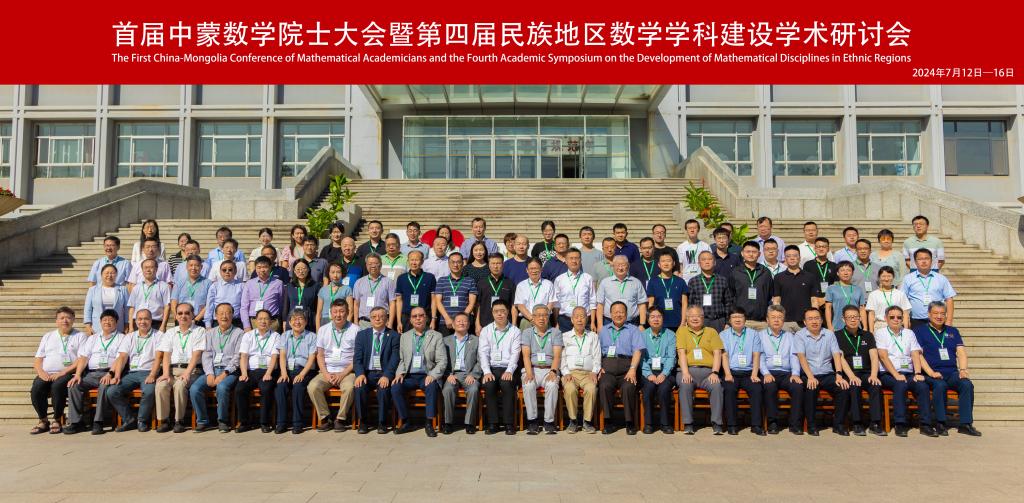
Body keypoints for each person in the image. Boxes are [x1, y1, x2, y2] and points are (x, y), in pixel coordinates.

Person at [914, 301, 981, 436]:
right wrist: (931, 372)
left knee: (966, 384)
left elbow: (961, 352)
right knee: (940, 385)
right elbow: (918, 355)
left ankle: (965, 424)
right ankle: (940, 423)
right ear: (929, 314)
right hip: (931, 373)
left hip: (951, 372)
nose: (939, 316)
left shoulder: (952, 331)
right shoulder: (920, 331)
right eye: (935, 313)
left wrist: (963, 370)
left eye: (942, 314)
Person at [63, 310, 124, 434]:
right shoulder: (93, 338)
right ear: (100, 322)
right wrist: (77, 375)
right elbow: (84, 357)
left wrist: (110, 374)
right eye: (104, 320)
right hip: (91, 374)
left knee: (104, 385)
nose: (107, 322)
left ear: (116, 322)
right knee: (74, 385)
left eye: (111, 320)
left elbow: (120, 359)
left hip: (108, 372)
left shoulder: (122, 338)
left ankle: (98, 422)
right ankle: (76, 422)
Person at [874, 305, 931, 437]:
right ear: (886, 318)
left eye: (899, 317)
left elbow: (915, 353)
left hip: (908, 372)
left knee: (922, 386)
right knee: (900, 385)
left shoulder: (909, 333)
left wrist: (918, 373)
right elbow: (883, 356)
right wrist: (896, 374)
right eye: (892, 317)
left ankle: (926, 424)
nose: (896, 319)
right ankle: (900, 424)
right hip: (888, 373)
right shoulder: (880, 333)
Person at [794, 307, 850, 436]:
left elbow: (836, 355)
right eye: (810, 319)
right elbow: (801, 357)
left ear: (821, 320)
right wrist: (810, 377)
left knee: (843, 388)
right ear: (805, 322)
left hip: (827, 374)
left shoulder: (829, 334)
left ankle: (838, 424)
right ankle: (812, 425)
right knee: (811, 388)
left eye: (817, 318)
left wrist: (839, 375)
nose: (814, 321)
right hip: (809, 374)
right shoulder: (800, 335)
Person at [30, 307, 86, 435]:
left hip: (68, 373)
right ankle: (43, 420)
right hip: (47, 373)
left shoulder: (80, 336)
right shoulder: (48, 336)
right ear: (56, 321)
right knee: (37, 388)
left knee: (57, 386)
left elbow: (81, 359)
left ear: (73, 320)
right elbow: (38, 359)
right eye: (62, 318)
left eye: (68, 318)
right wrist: (41, 373)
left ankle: (57, 420)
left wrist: (62, 372)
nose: (65, 320)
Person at [188, 303, 243, 433]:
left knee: (222, 387)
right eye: (221, 313)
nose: (224, 316)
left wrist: (224, 374)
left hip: (230, 371)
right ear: (216, 316)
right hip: (212, 369)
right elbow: (206, 355)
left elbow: (238, 357)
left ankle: (223, 421)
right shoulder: (210, 333)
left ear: (232, 315)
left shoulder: (239, 333)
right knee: (195, 388)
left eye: (228, 313)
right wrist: (209, 373)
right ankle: (202, 421)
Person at [391, 307, 446, 437]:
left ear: (426, 318)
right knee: (395, 387)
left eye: (421, 315)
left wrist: (433, 375)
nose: (418, 318)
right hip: (409, 376)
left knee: (431, 386)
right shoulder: (405, 336)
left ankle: (429, 423)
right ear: (410, 320)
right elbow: (402, 360)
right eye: (414, 316)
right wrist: (399, 373)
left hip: (427, 375)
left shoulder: (436, 336)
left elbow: (442, 361)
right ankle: (406, 421)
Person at [107, 308, 163, 433]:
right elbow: (122, 357)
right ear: (136, 321)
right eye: (140, 319)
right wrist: (117, 376)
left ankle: (142, 420)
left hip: (148, 372)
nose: (143, 322)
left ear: (151, 320)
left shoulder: (159, 335)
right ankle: (129, 419)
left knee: (149, 391)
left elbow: (159, 357)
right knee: (112, 391)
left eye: (146, 319)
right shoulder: (130, 336)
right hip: (131, 373)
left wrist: (153, 374)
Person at [155, 303, 206, 433]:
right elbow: (166, 355)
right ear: (176, 316)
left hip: (193, 370)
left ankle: (179, 420)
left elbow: (196, 354)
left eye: (187, 313)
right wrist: (165, 373)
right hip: (172, 370)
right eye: (180, 313)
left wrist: (187, 373)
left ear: (193, 315)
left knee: (180, 385)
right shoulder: (170, 332)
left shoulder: (199, 331)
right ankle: (164, 420)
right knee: (161, 385)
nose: (183, 316)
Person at [309, 299, 359, 432]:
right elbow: (320, 355)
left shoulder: (355, 330)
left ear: (347, 312)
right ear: (330, 313)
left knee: (349, 387)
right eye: (335, 312)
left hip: (348, 372)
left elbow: (357, 357)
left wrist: (342, 374)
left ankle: (340, 419)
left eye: (342, 311)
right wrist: (326, 374)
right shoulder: (323, 330)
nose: (338, 315)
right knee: (313, 387)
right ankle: (325, 418)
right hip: (327, 371)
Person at [835, 306, 884, 436]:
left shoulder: (867, 335)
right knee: (854, 386)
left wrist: (874, 375)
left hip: (867, 372)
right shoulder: (837, 335)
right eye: (849, 317)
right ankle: (857, 423)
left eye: (856, 317)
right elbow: (840, 358)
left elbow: (874, 357)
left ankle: (875, 423)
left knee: (876, 385)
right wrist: (851, 376)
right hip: (849, 373)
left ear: (860, 318)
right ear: (843, 319)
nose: (853, 320)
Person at [596, 302, 644, 435]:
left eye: (621, 312)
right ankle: (608, 422)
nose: (618, 315)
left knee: (628, 387)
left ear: (626, 314)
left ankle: (630, 422)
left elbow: (637, 351)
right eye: (616, 312)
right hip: (607, 367)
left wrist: (633, 369)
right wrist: (598, 367)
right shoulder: (603, 330)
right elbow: (596, 351)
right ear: (610, 314)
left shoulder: (633, 330)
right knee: (604, 386)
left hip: (627, 368)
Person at [676, 306, 724, 434]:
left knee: (717, 386)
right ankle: (688, 423)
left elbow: (717, 353)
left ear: (703, 318)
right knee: (685, 385)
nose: (695, 318)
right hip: (688, 370)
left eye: (698, 316)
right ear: (687, 318)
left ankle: (717, 423)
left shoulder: (711, 331)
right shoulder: (682, 331)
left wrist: (715, 372)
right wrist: (685, 372)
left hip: (708, 372)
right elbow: (681, 353)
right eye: (692, 316)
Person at [353, 307, 400, 434]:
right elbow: (357, 358)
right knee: (359, 387)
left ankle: (382, 422)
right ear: (370, 319)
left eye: (381, 316)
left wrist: (387, 375)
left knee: (384, 390)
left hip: (384, 373)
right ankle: (363, 421)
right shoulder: (362, 335)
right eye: (374, 317)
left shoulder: (394, 335)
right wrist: (360, 374)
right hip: (367, 373)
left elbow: (395, 358)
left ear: (386, 318)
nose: (377, 319)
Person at [759, 305, 805, 435]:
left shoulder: (790, 336)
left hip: (786, 373)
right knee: (770, 387)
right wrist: (766, 373)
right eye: (773, 317)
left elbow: (794, 357)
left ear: (783, 320)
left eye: (779, 317)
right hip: (768, 372)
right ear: (767, 319)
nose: (776, 320)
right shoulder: (760, 336)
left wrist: (795, 374)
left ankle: (795, 424)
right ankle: (772, 423)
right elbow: (760, 357)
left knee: (798, 387)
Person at [478, 301, 522, 435]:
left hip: (508, 368)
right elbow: (483, 353)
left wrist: (509, 371)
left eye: (502, 311)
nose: (499, 314)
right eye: (496, 311)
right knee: (489, 384)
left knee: (506, 383)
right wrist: (486, 372)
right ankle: (493, 423)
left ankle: (509, 424)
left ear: (508, 312)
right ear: (492, 313)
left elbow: (515, 353)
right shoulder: (486, 330)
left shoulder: (515, 331)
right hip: (491, 368)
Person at [719, 307, 765, 435]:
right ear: (730, 320)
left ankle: (756, 425)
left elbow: (756, 355)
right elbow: (724, 356)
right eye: (734, 317)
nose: (737, 319)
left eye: (740, 317)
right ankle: (732, 425)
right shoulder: (723, 335)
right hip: (731, 372)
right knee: (729, 389)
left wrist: (754, 374)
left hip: (749, 373)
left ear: (745, 319)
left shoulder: (753, 334)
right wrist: (727, 374)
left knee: (757, 389)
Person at [235, 310, 281, 433]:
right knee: (240, 388)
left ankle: (264, 422)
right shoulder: (248, 335)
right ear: (255, 321)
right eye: (260, 319)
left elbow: (274, 357)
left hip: (268, 371)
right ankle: (244, 422)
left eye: (266, 319)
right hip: (251, 371)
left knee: (266, 388)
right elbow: (244, 356)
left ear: (271, 322)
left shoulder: (276, 336)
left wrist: (268, 373)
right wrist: (244, 373)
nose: (263, 321)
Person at [274, 308, 318, 434]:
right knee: (280, 387)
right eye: (293, 319)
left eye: (300, 319)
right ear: (289, 322)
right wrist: (283, 373)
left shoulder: (312, 336)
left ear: (306, 322)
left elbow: (311, 358)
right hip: (287, 370)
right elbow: (282, 355)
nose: (297, 322)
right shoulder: (285, 335)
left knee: (298, 387)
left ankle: (297, 423)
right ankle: (281, 423)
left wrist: (302, 374)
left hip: (305, 370)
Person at [521, 304, 562, 435]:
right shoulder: (527, 333)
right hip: (532, 368)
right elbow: (525, 355)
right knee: (528, 385)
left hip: (549, 369)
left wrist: (553, 371)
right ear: (533, 317)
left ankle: (549, 421)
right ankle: (532, 421)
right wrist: (529, 373)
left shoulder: (556, 332)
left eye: (544, 315)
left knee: (552, 385)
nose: (541, 318)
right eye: (538, 315)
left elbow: (557, 355)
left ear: (548, 317)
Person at [560, 306, 601, 434]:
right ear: (572, 319)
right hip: (571, 373)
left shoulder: (593, 336)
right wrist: (566, 373)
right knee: (570, 388)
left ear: (587, 319)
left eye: (582, 316)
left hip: (588, 374)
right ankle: (573, 420)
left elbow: (597, 357)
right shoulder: (565, 337)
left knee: (591, 388)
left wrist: (594, 371)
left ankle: (587, 422)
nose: (579, 320)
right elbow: (562, 359)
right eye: (576, 317)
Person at [441, 313, 482, 435]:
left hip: (469, 374)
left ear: (468, 324)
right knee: (448, 389)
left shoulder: (476, 340)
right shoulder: (445, 341)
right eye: (458, 321)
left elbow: (481, 360)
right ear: (453, 325)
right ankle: (448, 423)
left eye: (464, 321)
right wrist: (447, 374)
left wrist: (473, 374)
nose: (461, 323)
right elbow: (441, 360)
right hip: (452, 374)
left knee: (474, 389)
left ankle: (469, 423)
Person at [639, 307, 676, 434]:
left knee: (664, 388)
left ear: (663, 318)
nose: (656, 319)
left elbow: (671, 357)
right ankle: (648, 423)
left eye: (659, 316)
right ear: (648, 319)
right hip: (648, 370)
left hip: (665, 370)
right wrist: (648, 374)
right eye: (652, 317)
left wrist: (664, 374)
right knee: (648, 388)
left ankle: (665, 423)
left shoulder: (671, 335)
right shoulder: (642, 335)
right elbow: (641, 358)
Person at [900, 249, 956, 328]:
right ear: (915, 262)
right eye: (920, 259)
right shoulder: (908, 279)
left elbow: (949, 299)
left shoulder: (941, 278)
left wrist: (949, 320)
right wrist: (905, 319)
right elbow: (902, 299)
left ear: (932, 261)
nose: (923, 261)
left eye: (926, 258)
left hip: (938, 320)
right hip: (916, 321)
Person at [772, 245, 820, 333]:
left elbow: (814, 300)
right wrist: (778, 318)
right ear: (785, 259)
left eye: (795, 255)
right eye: (788, 256)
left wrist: (813, 318)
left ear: (799, 257)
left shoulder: (810, 277)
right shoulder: (778, 277)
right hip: (785, 322)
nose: (792, 258)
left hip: (805, 322)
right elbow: (777, 300)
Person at [728, 241, 774, 329]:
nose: (751, 254)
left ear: (759, 254)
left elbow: (770, 296)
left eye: (754, 252)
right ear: (742, 253)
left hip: (761, 322)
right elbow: (731, 295)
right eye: (748, 251)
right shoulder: (735, 272)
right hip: (741, 321)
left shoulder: (765, 272)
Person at [432, 252, 477, 336]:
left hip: (464, 323)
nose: (455, 265)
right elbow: (438, 301)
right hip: (445, 322)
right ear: (448, 264)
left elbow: (472, 303)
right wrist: (447, 318)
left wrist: (461, 319)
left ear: (463, 263)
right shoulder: (442, 280)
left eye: (458, 262)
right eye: (453, 262)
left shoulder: (470, 281)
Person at [687, 251, 733, 332]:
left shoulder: (722, 280)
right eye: (703, 259)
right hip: (700, 321)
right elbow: (690, 304)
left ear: (714, 262)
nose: (707, 262)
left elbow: (728, 303)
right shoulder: (693, 281)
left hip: (719, 321)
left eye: (710, 259)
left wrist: (727, 322)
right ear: (699, 263)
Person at [595, 256, 647, 327]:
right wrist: (600, 325)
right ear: (613, 266)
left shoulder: (636, 282)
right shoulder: (605, 282)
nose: (620, 268)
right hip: (609, 323)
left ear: (628, 266)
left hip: (632, 323)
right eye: (617, 265)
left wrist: (642, 324)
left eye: (623, 265)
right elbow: (600, 305)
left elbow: (642, 304)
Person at [553, 248, 596, 333]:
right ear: (566, 261)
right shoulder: (559, 279)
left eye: (576, 258)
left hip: (585, 321)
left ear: (580, 260)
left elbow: (592, 301)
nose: (574, 261)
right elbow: (556, 304)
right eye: (571, 258)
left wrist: (593, 322)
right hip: (565, 321)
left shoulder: (588, 278)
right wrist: (557, 323)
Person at [395, 250, 436, 333]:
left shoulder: (430, 277)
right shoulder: (401, 278)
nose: (414, 263)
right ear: (408, 261)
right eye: (412, 260)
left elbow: (434, 300)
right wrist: (399, 321)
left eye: (416, 260)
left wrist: (433, 319)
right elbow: (399, 301)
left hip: (424, 316)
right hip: (406, 317)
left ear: (422, 262)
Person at [646, 253, 688, 332]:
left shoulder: (680, 281)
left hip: (677, 323)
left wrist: (683, 322)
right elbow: (650, 304)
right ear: (659, 264)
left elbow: (684, 303)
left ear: (674, 263)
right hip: (659, 324)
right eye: (663, 261)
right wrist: (651, 322)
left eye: (668, 261)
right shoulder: (653, 281)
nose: (666, 263)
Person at [351, 254, 396, 329]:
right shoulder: (359, 282)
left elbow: (392, 303)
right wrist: (355, 322)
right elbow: (356, 304)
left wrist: (390, 323)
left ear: (380, 265)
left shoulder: (388, 282)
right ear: (366, 265)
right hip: (364, 323)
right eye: (370, 264)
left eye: (376, 263)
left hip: (382, 322)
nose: (373, 266)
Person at [127, 259, 171, 333]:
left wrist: (163, 325)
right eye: (146, 267)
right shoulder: (136, 287)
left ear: (156, 269)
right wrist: (131, 327)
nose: (148, 270)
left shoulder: (164, 286)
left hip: (156, 323)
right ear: (142, 270)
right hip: (138, 323)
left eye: (151, 267)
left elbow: (167, 306)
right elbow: (132, 307)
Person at [475, 253, 515, 335]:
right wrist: (477, 324)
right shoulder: (481, 283)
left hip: (505, 325)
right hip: (485, 325)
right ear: (489, 265)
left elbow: (513, 306)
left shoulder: (510, 283)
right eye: (493, 263)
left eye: (498, 263)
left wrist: (514, 324)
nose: (496, 266)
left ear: (503, 265)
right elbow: (477, 305)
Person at [241, 256, 284, 332]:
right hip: (254, 322)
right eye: (259, 267)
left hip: (272, 322)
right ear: (255, 268)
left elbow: (281, 304)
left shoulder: (278, 283)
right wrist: (246, 326)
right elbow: (244, 307)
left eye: (265, 267)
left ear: (270, 267)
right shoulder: (249, 284)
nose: (262, 270)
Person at [84, 264, 130, 335]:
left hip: (118, 326)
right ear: (101, 275)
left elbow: (127, 309)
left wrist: (127, 324)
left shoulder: (123, 289)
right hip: (97, 327)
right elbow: (88, 309)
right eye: (106, 273)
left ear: (116, 275)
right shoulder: (92, 290)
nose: (109, 275)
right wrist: (88, 326)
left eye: (112, 273)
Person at [865, 266, 912, 332]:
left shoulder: (900, 294)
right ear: (879, 277)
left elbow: (905, 313)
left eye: (889, 276)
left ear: (893, 277)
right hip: (880, 326)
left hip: (897, 325)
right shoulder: (873, 294)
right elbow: (871, 314)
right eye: (883, 276)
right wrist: (871, 331)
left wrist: (906, 330)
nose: (886, 279)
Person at [513, 258, 556, 330]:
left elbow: (551, 303)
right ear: (527, 270)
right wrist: (532, 319)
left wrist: (542, 317)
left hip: (544, 321)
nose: (534, 271)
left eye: (536, 268)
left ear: (541, 269)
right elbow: (520, 306)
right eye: (531, 268)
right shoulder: (521, 285)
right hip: (527, 321)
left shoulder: (548, 284)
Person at [824, 261, 866, 332]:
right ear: (837, 273)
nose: (845, 273)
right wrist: (829, 326)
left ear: (852, 273)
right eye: (842, 270)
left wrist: (865, 327)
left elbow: (862, 309)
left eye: (848, 270)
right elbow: (828, 308)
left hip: (855, 326)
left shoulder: (858, 289)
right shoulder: (831, 288)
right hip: (837, 327)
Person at [170, 255, 211, 327]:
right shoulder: (179, 283)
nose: (193, 268)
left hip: (200, 321)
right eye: (191, 265)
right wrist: (176, 317)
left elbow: (209, 304)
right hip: (181, 319)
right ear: (186, 267)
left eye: (196, 265)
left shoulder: (208, 283)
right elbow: (174, 301)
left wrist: (196, 320)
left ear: (201, 267)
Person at [204, 260, 244, 328]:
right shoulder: (214, 286)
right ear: (220, 272)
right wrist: (208, 325)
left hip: (236, 322)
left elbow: (244, 306)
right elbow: (209, 307)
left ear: (235, 271)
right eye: (224, 270)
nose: (227, 272)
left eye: (230, 270)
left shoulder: (241, 286)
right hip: (218, 322)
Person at [282, 259, 320, 330]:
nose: (301, 271)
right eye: (298, 269)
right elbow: (286, 306)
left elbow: (317, 307)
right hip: (293, 321)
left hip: (309, 321)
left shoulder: (315, 286)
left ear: (308, 269)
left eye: (303, 268)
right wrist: (284, 322)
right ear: (294, 271)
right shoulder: (289, 286)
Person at [803, 237, 838, 310]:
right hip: (813, 302)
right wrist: (815, 299)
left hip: (830, 302)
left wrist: (825, 299)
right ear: (815, 249)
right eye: (818, 247)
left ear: (828, 249)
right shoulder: (808, 265)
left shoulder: (834, 266)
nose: (821, 249)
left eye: (824, 247)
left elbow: (836, 285)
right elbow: (806, 284)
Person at [315, 263, 353, 330]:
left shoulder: (347, 289)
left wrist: (346, 327)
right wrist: (318, 330)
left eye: (338, 272)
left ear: (342, 274)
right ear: (328, 274)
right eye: (332, 272)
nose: (335, 275)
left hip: (340, 319)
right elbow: (319, 313)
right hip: (325, 321)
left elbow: (350, 311)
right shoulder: (323, 290)